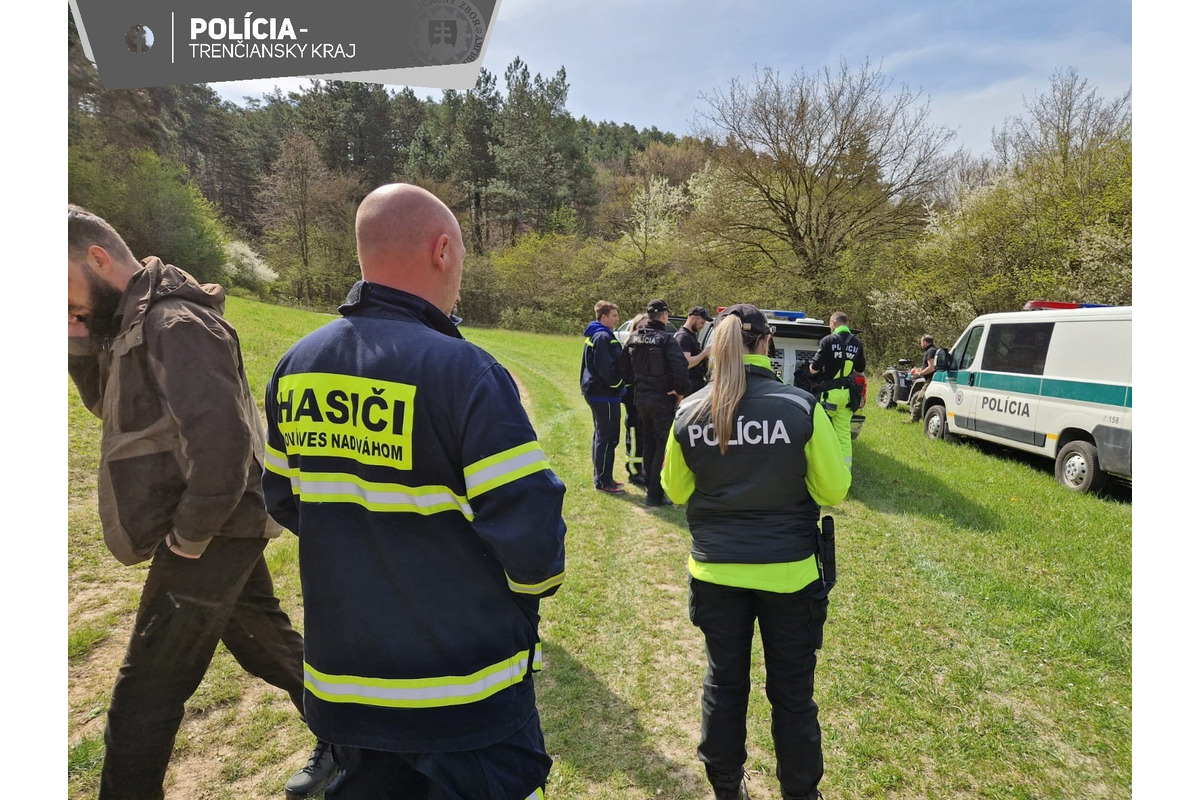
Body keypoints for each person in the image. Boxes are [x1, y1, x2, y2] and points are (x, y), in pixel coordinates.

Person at [261, 183, 567, 800]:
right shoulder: (466, 370)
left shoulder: (296, 365)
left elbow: (285, 500)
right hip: (466, 694)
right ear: (443, 250)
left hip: (346, 690)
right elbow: (533, 542)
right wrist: (519, 603)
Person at [66, 205, 338, 800]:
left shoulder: (175, 323)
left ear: (97, 258)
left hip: (211, 528)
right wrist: (76, 334)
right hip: (215, 522)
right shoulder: (132, 322)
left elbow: (224, 444)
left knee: (144, 695)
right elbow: (110, 407)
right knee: (266, 645)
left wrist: (188, 538)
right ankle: (358, 740)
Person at [661, 304, 851, 800]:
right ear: (766, 343)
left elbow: (675, 491)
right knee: (792, 694)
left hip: (716, 573)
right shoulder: (799, 407)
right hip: (789, 575)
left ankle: (726, 787)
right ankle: (800, 793)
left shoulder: (690, 410)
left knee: (724, 685)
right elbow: (833, 490)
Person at [617, 298, 690, 507]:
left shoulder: (633, 338)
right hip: (662, 399)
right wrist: (680, 390)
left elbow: (622, 368)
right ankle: (655, 494)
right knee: (661, 444)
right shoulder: (666, 340)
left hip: (641, 399)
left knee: (648, 441)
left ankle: (650, 487)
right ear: (665, 316)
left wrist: (638, 383)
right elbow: (680, 368)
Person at [806, 311, 866, 471]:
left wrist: (810, 368)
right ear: (847, 324)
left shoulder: (828, 340)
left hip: (829, 396)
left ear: (833, 322)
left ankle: (822, 469)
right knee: (843, 435)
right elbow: (860, 369)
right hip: (846, 396)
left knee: (822, 432)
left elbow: (814, 369)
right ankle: (845, 470)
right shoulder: (857, 343)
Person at [580, 300, 627, 493]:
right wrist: (620, 386)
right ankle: (604, 482)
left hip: (599, 393)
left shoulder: (601, 334)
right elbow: (607, 370)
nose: (617, 319)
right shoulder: (602, 337)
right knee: (608, 438)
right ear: (604, 317)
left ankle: (602, 477)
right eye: (614, 315)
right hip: (604, 395)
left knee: (601, 436)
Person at [622, 313, 650, 486]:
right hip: (633, 398)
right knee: (634, 434)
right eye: (640, 327)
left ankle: (644, 469)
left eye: (646, 327)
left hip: (647, 398)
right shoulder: (629, 347)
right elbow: (624, 373)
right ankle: (634, 471)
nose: (643, 331)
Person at [676, 306, 714, 396]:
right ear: (692, 318)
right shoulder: (683, 337)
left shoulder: (690, 335)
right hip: (689, 386)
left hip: (695, 384)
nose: (703, 326)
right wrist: (704, 353)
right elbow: (686, 363)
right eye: (702, 323)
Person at [905, 334, 938, 423]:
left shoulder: (930, 351)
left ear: (925, 342)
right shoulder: (934, 350)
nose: (921, 344)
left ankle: (914, 419)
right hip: (933, 379)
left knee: (920, 398)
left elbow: (932, 367)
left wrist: (919, 373)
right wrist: (920, 369)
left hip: (930, 380)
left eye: (921, 342)